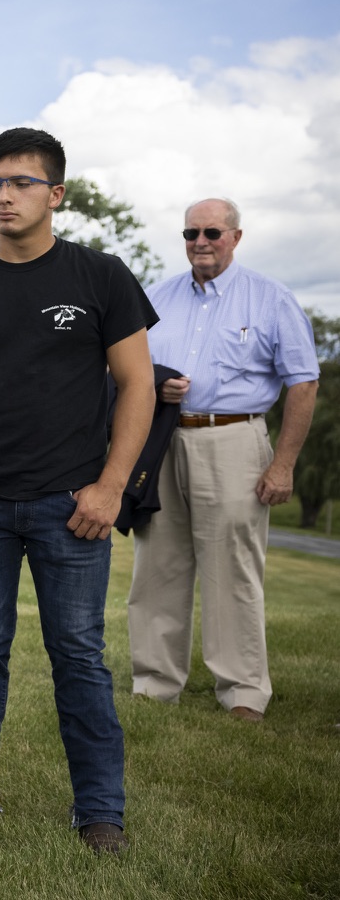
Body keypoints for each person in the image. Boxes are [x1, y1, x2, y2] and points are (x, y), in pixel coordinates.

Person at [0, 128, 155, 855]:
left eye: (20, 182)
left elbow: (138, 384)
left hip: (72, 504)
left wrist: (111, 487)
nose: (4, 196)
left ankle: (100, 813)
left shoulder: (100, 277)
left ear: (57, 194)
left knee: (78, 654)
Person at [127, 198, 320, 722]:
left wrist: (283, 464)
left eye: (212, 232)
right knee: (156, 565)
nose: (200, 242)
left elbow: (304, 383)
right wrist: (156, 384)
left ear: (236, 237)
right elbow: (126, 369)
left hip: (235, 440)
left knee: (231, 571)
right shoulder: (157, 297)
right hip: (162, 441)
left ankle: (242, 692)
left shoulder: (270, 298)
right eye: (190, 233)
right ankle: (154, 684)